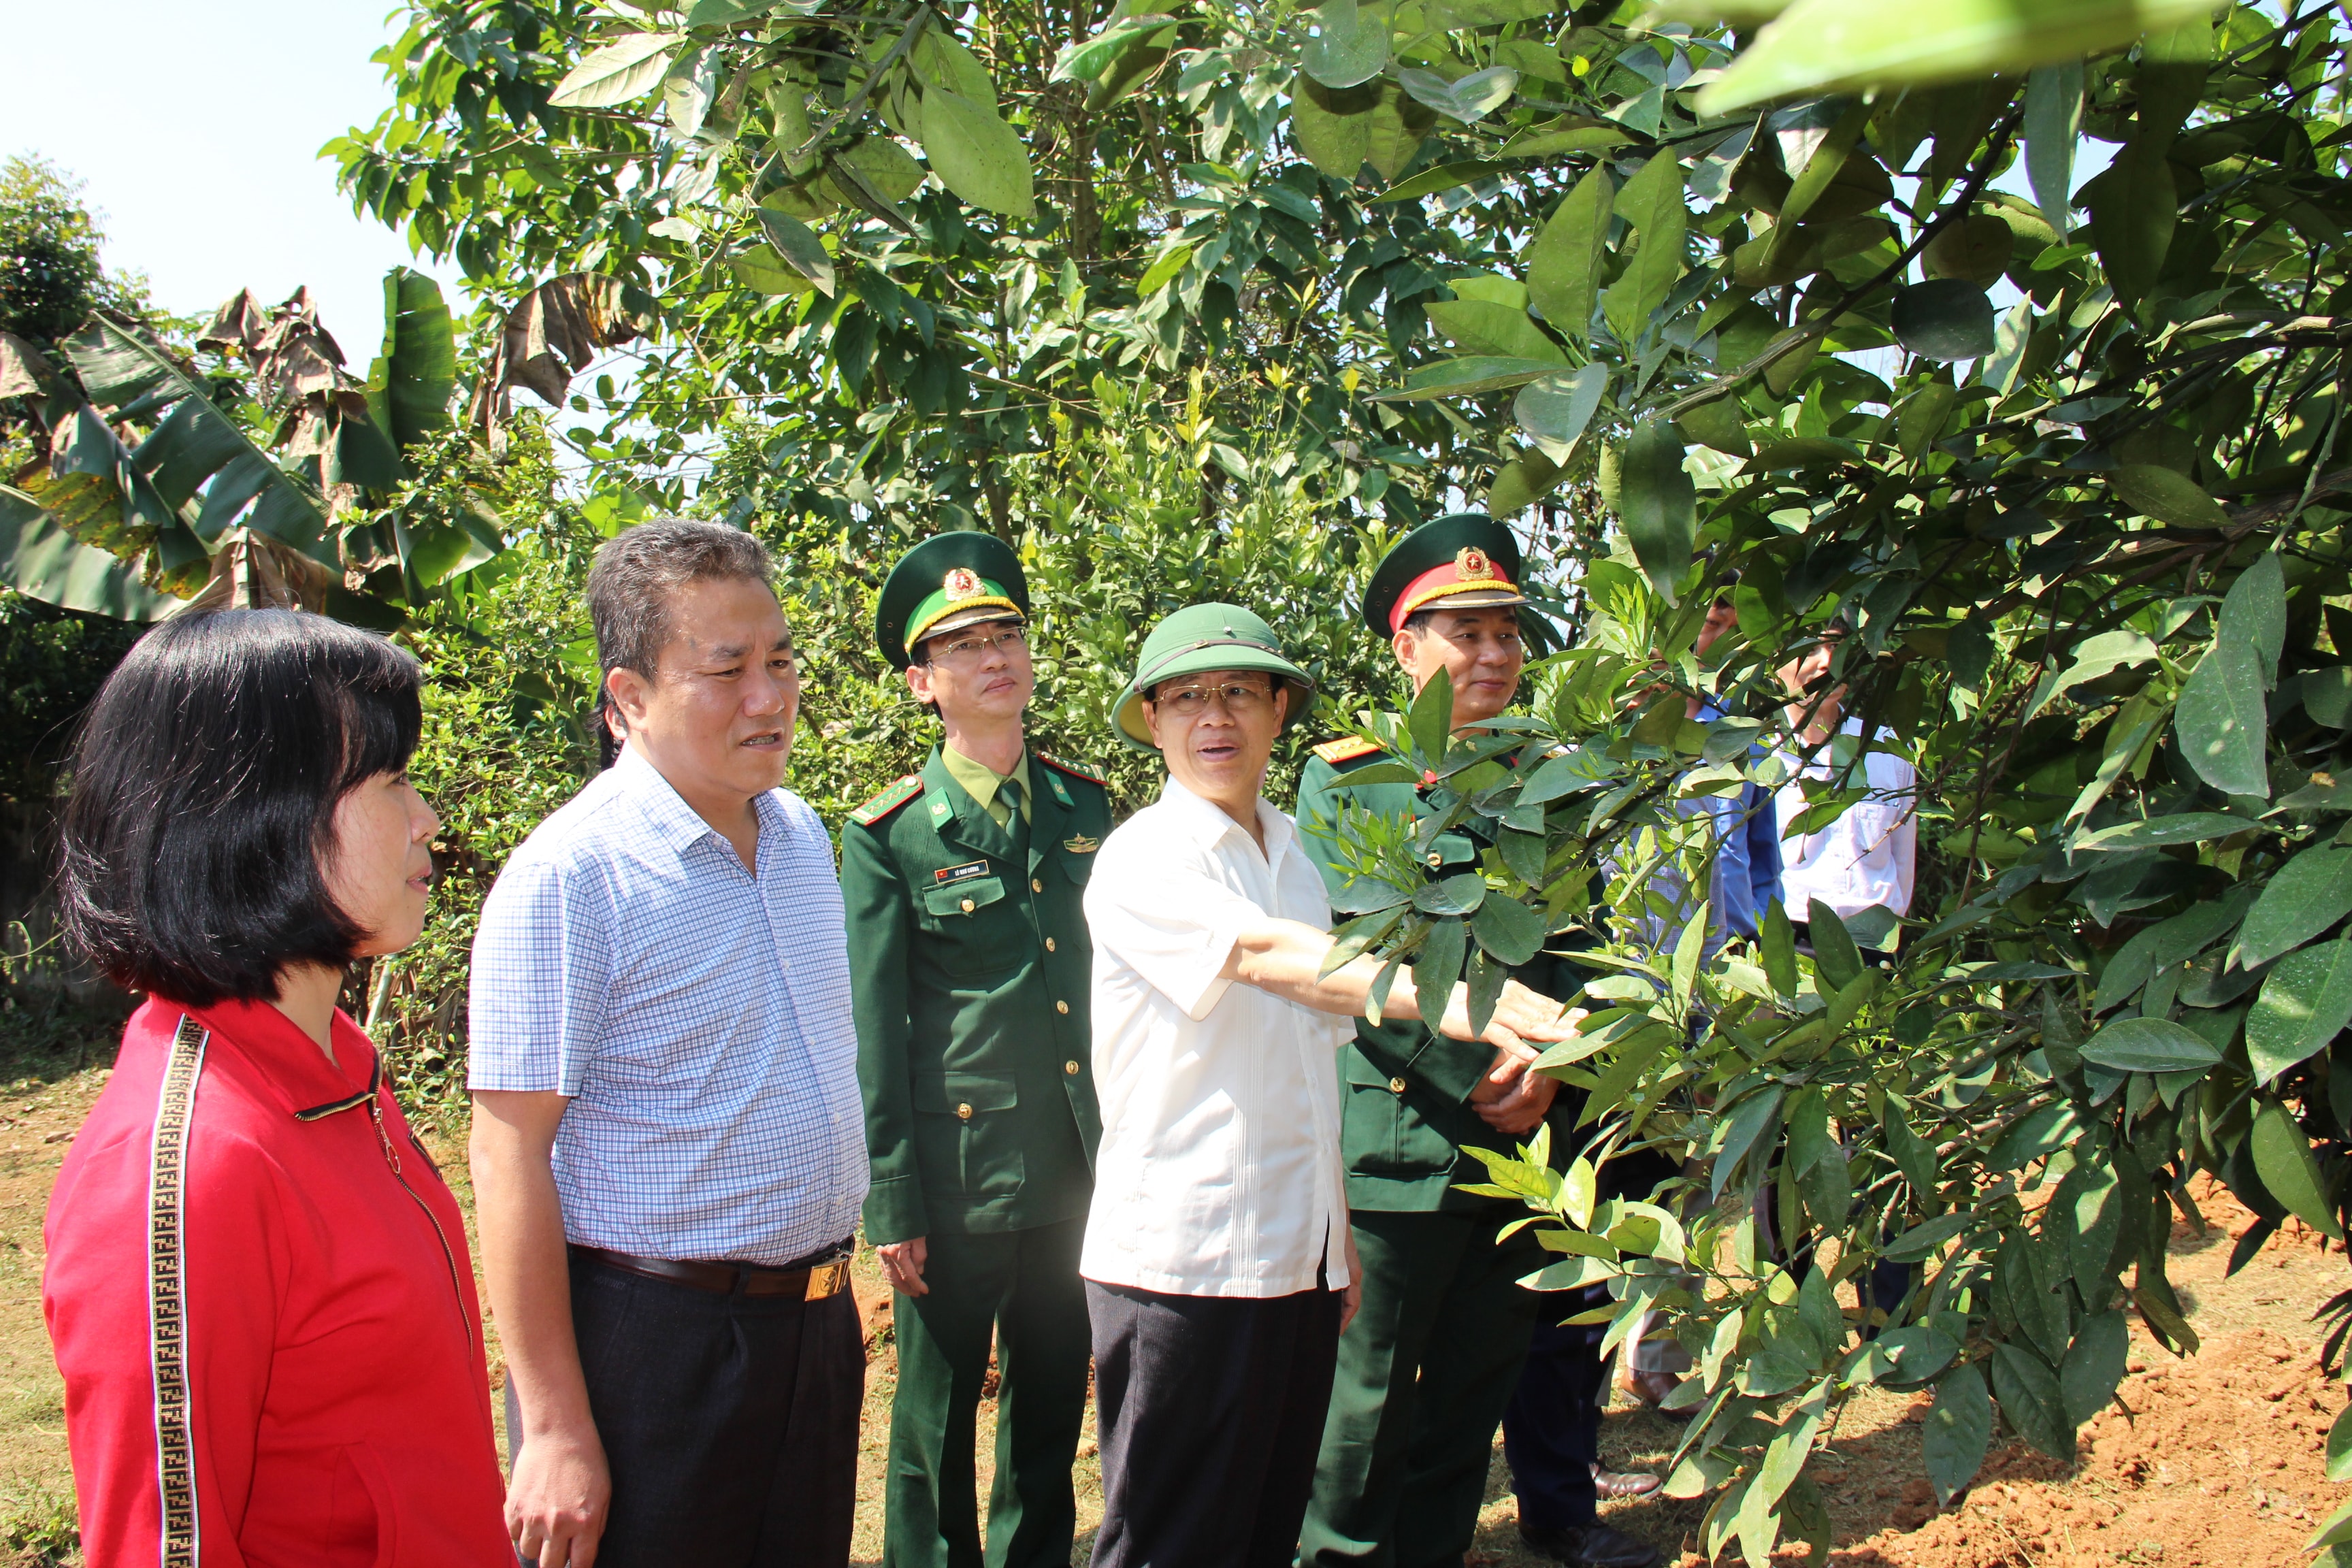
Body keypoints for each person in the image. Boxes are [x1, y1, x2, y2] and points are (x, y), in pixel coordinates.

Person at [1079, 603, 1582, 1568]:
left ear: (1278, 711)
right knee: (1168, 1543)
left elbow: (1315, 1063)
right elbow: (1275, 959)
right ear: (1151, 720)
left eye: (1238, 693)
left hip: (1293, 1262)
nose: (1213, 717)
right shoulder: (1143, 857)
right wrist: (1467, 998)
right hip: (1181, 1268)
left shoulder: (1297, 858)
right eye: (1186, 698)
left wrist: (1334, 1240)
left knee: (1265, 1532)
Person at [43, 609, 510, 1567]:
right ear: (256, 819)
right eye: (390, 784)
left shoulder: (334, 1072)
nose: (428, 819)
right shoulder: (188, 1167)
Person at [468, 520, 868, 1568]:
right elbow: (506, 1153)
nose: (769, 696)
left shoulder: (800, 839)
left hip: (815, 1328)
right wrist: (554, 1427)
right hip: (658, 1341)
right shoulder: (573, 877)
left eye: (780, 661)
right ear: (631, 695)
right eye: (727, 669)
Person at [1292, 517, 1661, 1568]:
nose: (1493, 655)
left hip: (1521, 1152)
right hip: (1398, 1153)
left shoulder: (1557, 779)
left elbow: (1588, 948)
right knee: (1359, 1421)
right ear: (1407, 650)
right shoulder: (1348, 779)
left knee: (1466, 1403)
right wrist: (1492, 1064)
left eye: (1507, 632)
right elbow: (1350, 957)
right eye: (1465, 633)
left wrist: (1552, 1068)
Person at [842, 532, 1109, 1568]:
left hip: (1077, 1164)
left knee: (1051, 1400)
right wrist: (894, 1200)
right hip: (954, 1177)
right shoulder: (890, 833)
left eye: (1007, 633)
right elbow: (878, 1026)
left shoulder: (1087, 807)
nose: (994, 656)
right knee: (933, 1421)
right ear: (922, 684)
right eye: (961, 646)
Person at [1774, 621, 1917, 932]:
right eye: (1809, 650)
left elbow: (1903, 859)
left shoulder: (1887, 748)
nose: (1826, 662)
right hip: (1793, 930)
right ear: (1774, 667)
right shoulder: (1761, 755)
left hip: (1876, 936)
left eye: (1836, 648)